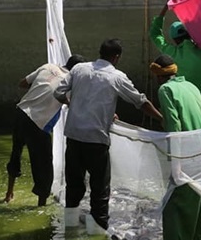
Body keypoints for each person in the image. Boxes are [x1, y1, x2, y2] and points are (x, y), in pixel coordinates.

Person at [54, 39, 162, 235]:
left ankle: (69, 231)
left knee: (73, 187)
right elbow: (140, 102)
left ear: (100, 52)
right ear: (116, 57)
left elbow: (58, 92)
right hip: (96, 141)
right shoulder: (116, 77)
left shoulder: (79, 69)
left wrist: (74, 104)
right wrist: (162, 118)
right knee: (100, 192)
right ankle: (97, 233)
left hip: (74, 137)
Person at [4, 54, 86, 206]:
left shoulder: (48, 67)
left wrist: (39, 89)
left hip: (21, 113)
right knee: (44, 167)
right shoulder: (73, 83)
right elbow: (83, 105)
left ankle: (9, 194)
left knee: (16, 153)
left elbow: (22, 83)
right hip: (38, 123)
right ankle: (41, 206)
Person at [151, 54, 201, 240]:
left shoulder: (165, 90)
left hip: (188, 153)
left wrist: (176, 165)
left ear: (158, 76)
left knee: (176, 206)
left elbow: (174, 127)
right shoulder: (190, 86)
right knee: (199, 205)